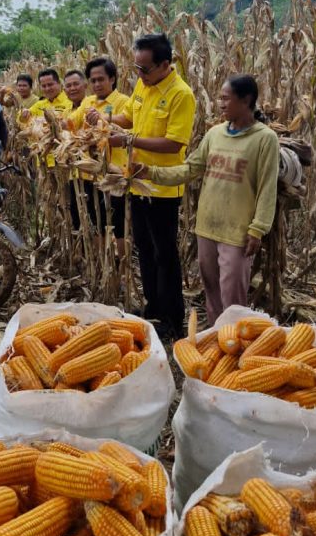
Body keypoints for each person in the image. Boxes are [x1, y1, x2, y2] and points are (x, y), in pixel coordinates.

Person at [137, 75, 279, 326]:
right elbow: (189, 169)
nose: (220, 103)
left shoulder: (264, 138)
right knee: (212, 292)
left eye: (226, 98)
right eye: (219, 98)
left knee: (233, 299)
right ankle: (216, 344)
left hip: (238, 230)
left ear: (246, 100)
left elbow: (268, 187)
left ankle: (235, 345)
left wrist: (258, 229)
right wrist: (151, 173)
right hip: (208, 226)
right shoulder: (214, 134)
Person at [88, 33, 196, 340]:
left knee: (165, 254)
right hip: (136, 181)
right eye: (136, 68)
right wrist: (106, 120)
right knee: (144, 250)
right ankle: (152, 310)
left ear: (165, 64)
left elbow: (175, 143)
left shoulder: (180, 94)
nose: (139, 75)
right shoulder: (142, 85)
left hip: (162, 189)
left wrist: (128, 140)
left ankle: (172, 318)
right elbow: (130, 116)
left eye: (144, 69)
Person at [69, 57, 130, 256]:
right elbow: (70, 123)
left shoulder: (124, 103)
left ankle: (120, 271)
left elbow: (128, 134)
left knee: (119, 227)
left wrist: (104, 122)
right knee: (96, 222)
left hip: (115, 175)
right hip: (90, 175)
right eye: (93, 80)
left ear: (112, 79)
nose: (96, 84)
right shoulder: (87, 102)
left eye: (100, 79)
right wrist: (44, 123)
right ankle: (102, 265)